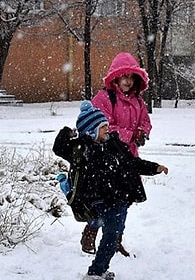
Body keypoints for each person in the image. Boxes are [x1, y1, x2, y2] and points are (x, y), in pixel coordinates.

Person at [54, 101, 168, 280]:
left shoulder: (114, 145)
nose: (107, 128)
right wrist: (68, 132)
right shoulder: (82, 149)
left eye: (106, 125)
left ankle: (101, 269)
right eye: (102, 126)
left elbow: (133, 163)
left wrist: (154, 168)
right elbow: (59, 147)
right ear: (91, 130)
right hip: (101, 200)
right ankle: (95, 272)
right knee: (111, 236)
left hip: (120, 198)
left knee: (114, 235)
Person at [81, 52, 152, 255]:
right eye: (124, 77)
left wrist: (142, 133)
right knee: (104, 200)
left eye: (131, 77)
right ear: (116, 78)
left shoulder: (139, 101)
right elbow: (103, 127)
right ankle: (92, 230)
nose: (128, 82)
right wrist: (130, 135)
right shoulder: (104, 98)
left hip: (128, 158)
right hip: (107, 159)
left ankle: (115, 239)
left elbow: (145, 121)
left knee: (125, 201)